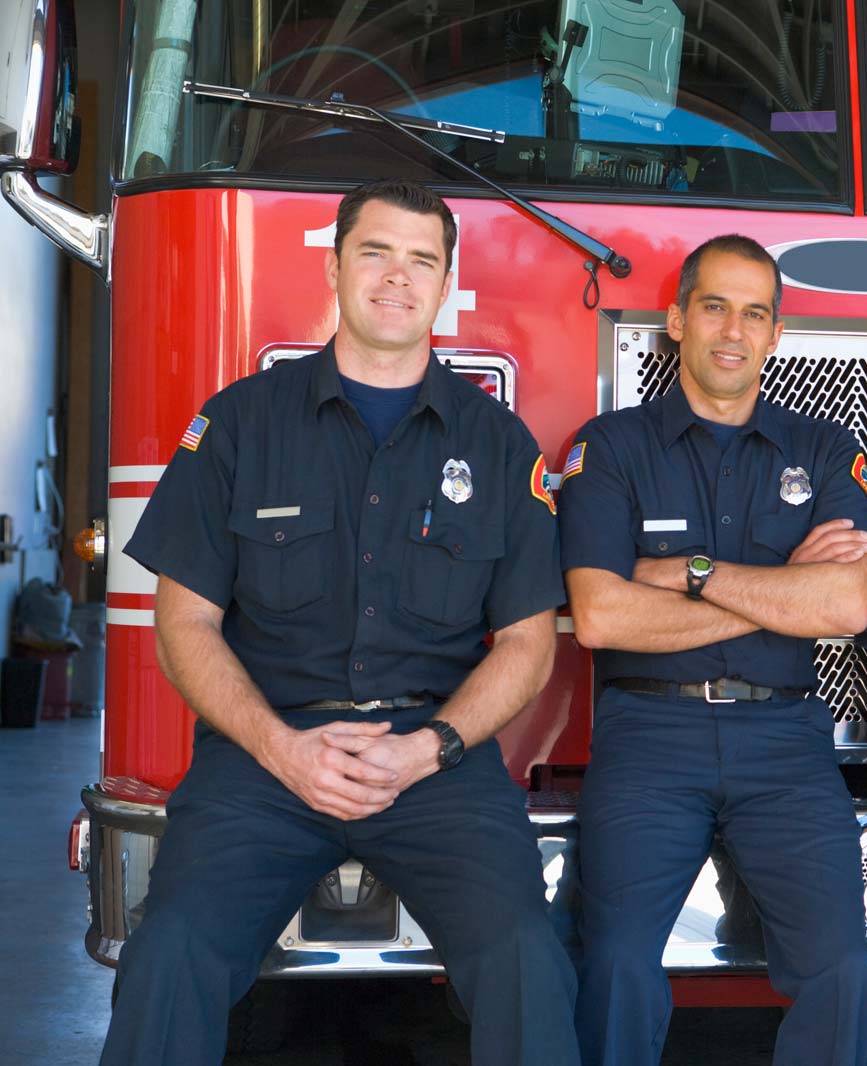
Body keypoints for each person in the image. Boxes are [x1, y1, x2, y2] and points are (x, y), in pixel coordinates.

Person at [101, 179, 580, 1066]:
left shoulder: (500, 444)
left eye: (421, 261)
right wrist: (285, 749)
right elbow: (185, 625)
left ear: (444, 286)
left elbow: (525, 644)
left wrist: (425, 748)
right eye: (376, 252)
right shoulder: (239, 424)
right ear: (334, 268)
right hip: (263, 762)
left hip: (436, 766)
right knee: (168, 952)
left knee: (528, 956)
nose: (398, 277)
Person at [559, 234, 867, 1066]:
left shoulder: (823, 448)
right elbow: (599, 616)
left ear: (776, 334)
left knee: (844, 968)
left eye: (755, 313)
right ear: (675, 321)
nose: (733, 330)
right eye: (714, 307)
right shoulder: (611, 446)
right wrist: (779, 595)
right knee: (616, 964)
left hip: (786, 745)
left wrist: (689, 574)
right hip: (647, 739)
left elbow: (844, 604)